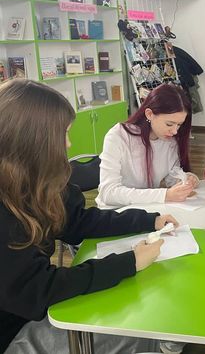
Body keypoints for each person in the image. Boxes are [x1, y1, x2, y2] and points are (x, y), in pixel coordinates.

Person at [0, 79, 178, 353]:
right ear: (31, 140)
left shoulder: (37, 181)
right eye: (63, 134)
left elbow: (78, 221)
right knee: (146, 329)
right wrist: (128, 262)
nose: (69, 144)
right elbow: (38, 290)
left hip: (30, 312)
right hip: (13, 333)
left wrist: (148, 220)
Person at [97, 83, 199, 208]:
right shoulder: (119, 136)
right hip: (116, 211)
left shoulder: (169, 140)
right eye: (169, 124)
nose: (175, 131)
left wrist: (184, 179)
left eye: (179, 125)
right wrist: (164, 195)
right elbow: (108, 193)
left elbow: (171, 175)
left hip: (147, 208)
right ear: (149, 114)